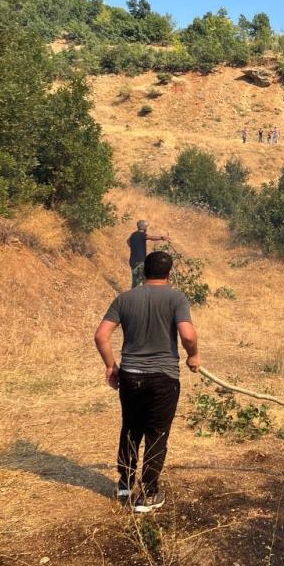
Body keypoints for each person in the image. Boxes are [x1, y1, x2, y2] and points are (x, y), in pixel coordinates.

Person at [93, 250, 201, 514]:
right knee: (157, 433)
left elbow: (101, 336)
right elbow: (187, 334)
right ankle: (150, 493)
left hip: (130, 377)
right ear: (169, 273)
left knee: (131, 428)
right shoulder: (176, 298)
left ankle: (126, 484)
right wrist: (193, 355)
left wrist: (111, 366)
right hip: (163, 378)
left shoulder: (125, 299)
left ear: (143, 272)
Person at [127, 220, 169, 289]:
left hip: (132, 260)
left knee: (135, 279)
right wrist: (161, 238)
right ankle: (140, 295)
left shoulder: (133, 234)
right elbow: (150, 237)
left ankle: (133, 293)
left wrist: (134, 247)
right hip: (140, 261)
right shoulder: (142, 235)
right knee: (142, 279)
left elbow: (128, 241)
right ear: (145, 228)